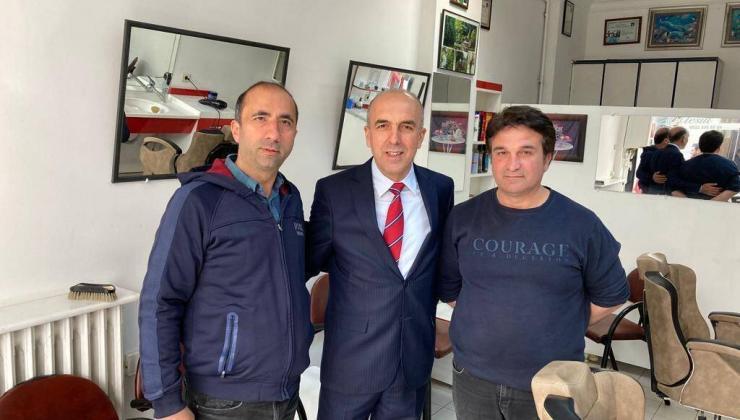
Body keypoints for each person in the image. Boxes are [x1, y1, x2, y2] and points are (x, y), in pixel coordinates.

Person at [437, 106, 630, 420]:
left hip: (551, 380)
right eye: (501, 152)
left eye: (525, 152)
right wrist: (491, 320)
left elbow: (612, 295)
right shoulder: (463, 218)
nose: (512, 164)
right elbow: (450, 288)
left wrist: (560, 324)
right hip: (473, 376)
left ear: (547, 159)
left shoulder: (581, 225)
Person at [138, 82, 313, 420]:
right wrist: (168, 403)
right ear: (236, 129)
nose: (273, 133)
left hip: (286, 393)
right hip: (222, 402)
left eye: (285, 121)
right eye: (260, 118)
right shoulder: (198, 201)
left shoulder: (289, 198)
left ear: (294, 133)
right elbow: (160, 301)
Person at [308, 89, 454, 419]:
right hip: (350, 363)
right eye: (383, 125)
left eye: (406, 126)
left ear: (421, 135)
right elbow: (313, 259)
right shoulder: (333, 191)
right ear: (367, 134)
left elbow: (441, 263)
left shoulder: (440, 189)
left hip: (411, 362)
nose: (394, 139)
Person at [650, 127, 720, 197]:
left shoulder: (657, 152)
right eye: (687, 137)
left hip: (652, 194)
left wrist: (652, 177)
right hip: (668, 196)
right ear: (683, 138)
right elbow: (674, 180)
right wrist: (700, 188)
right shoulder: (676, 155)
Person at [674, 130, 740, 201]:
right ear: (719, 148)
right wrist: (712, 202)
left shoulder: (686, 164)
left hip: (689, 204)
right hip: (718, 205)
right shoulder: (729, 164)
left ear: (700, 146)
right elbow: (736, 187)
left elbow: (676, 185)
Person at [635, 127, 669, 193]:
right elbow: (639, 173)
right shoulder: (649, 153)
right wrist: (652, 177)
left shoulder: (667, 153)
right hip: (649, 192)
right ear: (666, 140)